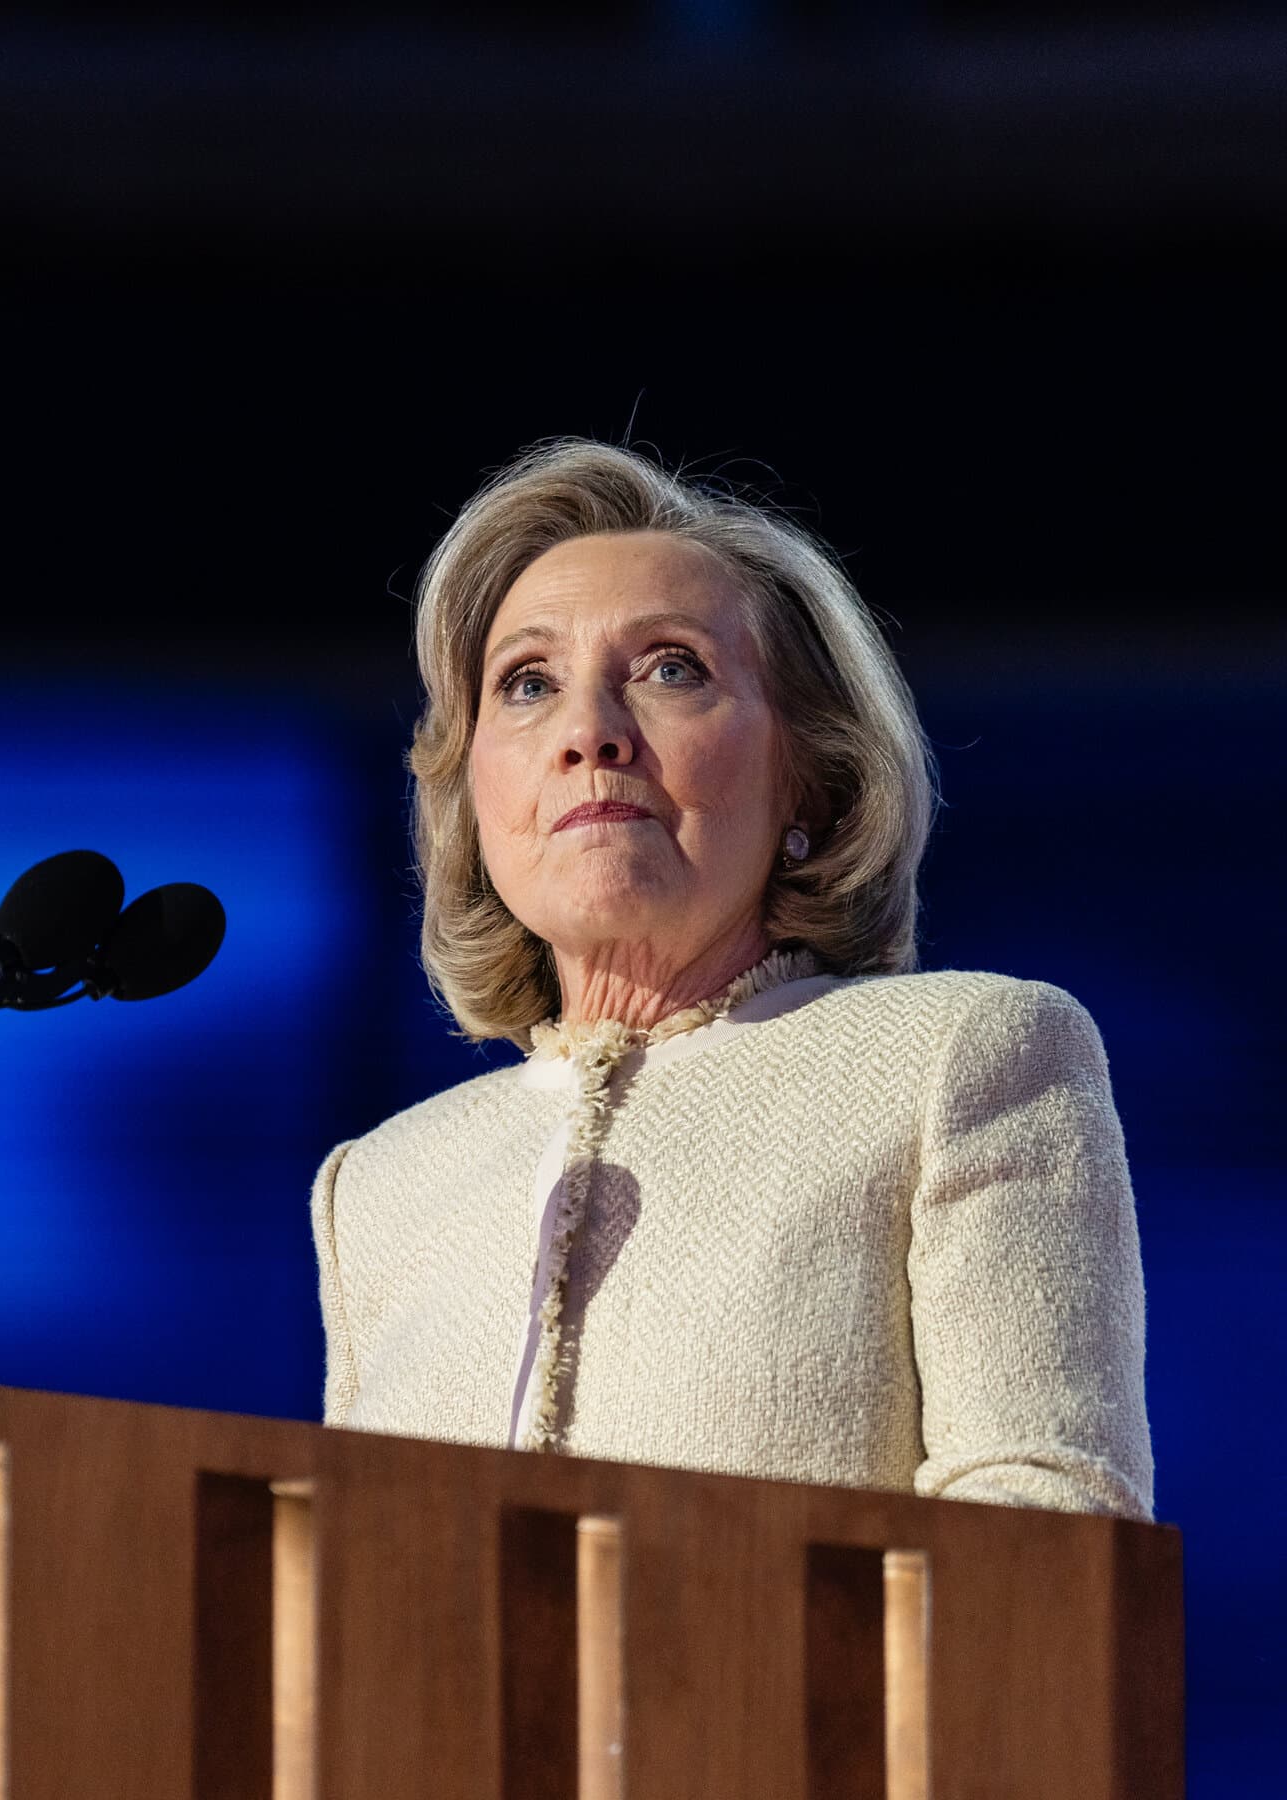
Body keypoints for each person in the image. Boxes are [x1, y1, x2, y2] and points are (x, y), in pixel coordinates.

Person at [310, 439, 1153, 1520]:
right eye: (527, 684)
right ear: (475, 795)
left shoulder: (964, 1059)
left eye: (671, 669)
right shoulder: (381, 1186)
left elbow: (1046, 1541)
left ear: (812, 774)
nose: (588, 735)